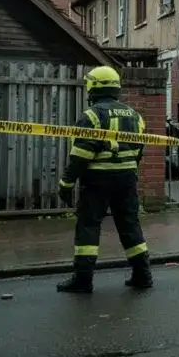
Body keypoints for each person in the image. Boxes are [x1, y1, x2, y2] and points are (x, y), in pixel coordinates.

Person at [56, 65, 152, 294]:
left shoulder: (92, 116)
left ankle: (83, 279)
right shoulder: (135, 116)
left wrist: (66, 183)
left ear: (94, 88)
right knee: (130, 225)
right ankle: (143, 275)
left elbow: (81, 156)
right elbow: (139, 151)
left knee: (88, 226)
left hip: (97, 181)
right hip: (127, 180)